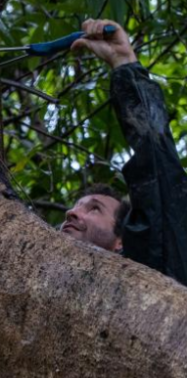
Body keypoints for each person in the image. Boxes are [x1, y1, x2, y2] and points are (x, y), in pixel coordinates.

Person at [60, 19, 187, 286]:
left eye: (94, 209)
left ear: (121, 241)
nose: (72, 213)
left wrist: (124, 62)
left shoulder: (151, 267)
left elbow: (158, 165)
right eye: (76, 206)